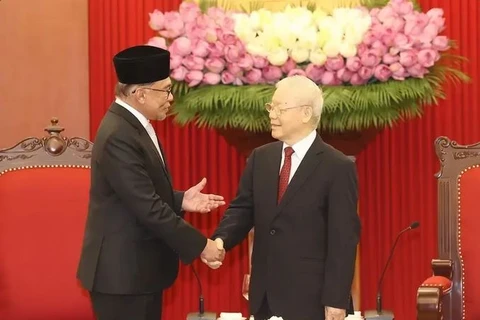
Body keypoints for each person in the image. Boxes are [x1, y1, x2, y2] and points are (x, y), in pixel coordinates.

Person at [76, 45, 225, 320]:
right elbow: (148, 207)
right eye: (166, 90)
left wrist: (180, 199)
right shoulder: (118, 135)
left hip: (138, 272)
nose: (171, 98)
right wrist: (202, 245)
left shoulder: (133, 125)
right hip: (122, 278)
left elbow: (136, 194)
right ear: (140, 93)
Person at [204, 75, 361, 320]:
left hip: (312, 299)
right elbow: (242, 209)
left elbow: (343, 239)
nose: (271, 114)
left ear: (306, 114)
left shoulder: (337, 166)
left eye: (279, 108)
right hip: (265, 296)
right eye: (270, 107)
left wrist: (335, 299)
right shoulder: (261, 158)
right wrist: (221, 240)